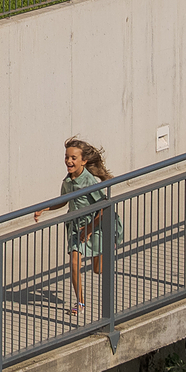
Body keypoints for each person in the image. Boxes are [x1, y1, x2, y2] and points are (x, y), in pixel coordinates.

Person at [30, 138, 113, 322]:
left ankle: (106, 251)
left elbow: (103, 207)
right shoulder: (67, 181)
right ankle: (80, 302)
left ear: (83, 161)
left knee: (98, 269)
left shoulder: (90, 181)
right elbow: (64, 200)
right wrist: (45, 208)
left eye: (73, 158)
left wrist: (90, 228)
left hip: (95, 224)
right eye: (67, 157)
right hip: (76, 226)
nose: (69, 161)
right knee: (75, 262)